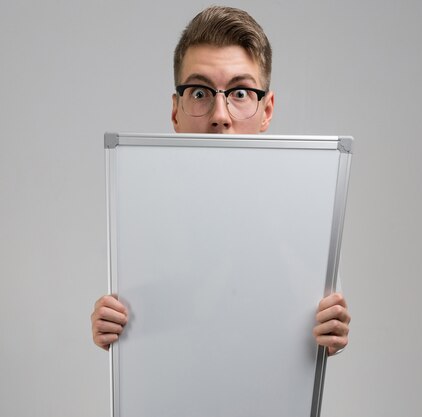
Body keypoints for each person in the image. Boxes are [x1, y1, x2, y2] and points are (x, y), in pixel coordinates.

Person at [91, 6, 350, 356]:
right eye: (199, 92)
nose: (220, 116)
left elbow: (293, 330)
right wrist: (114, 328)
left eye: (240, 93)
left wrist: (325, 331)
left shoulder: (302, 228)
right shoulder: (138, 219)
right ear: (175, 111)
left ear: (267, 111)